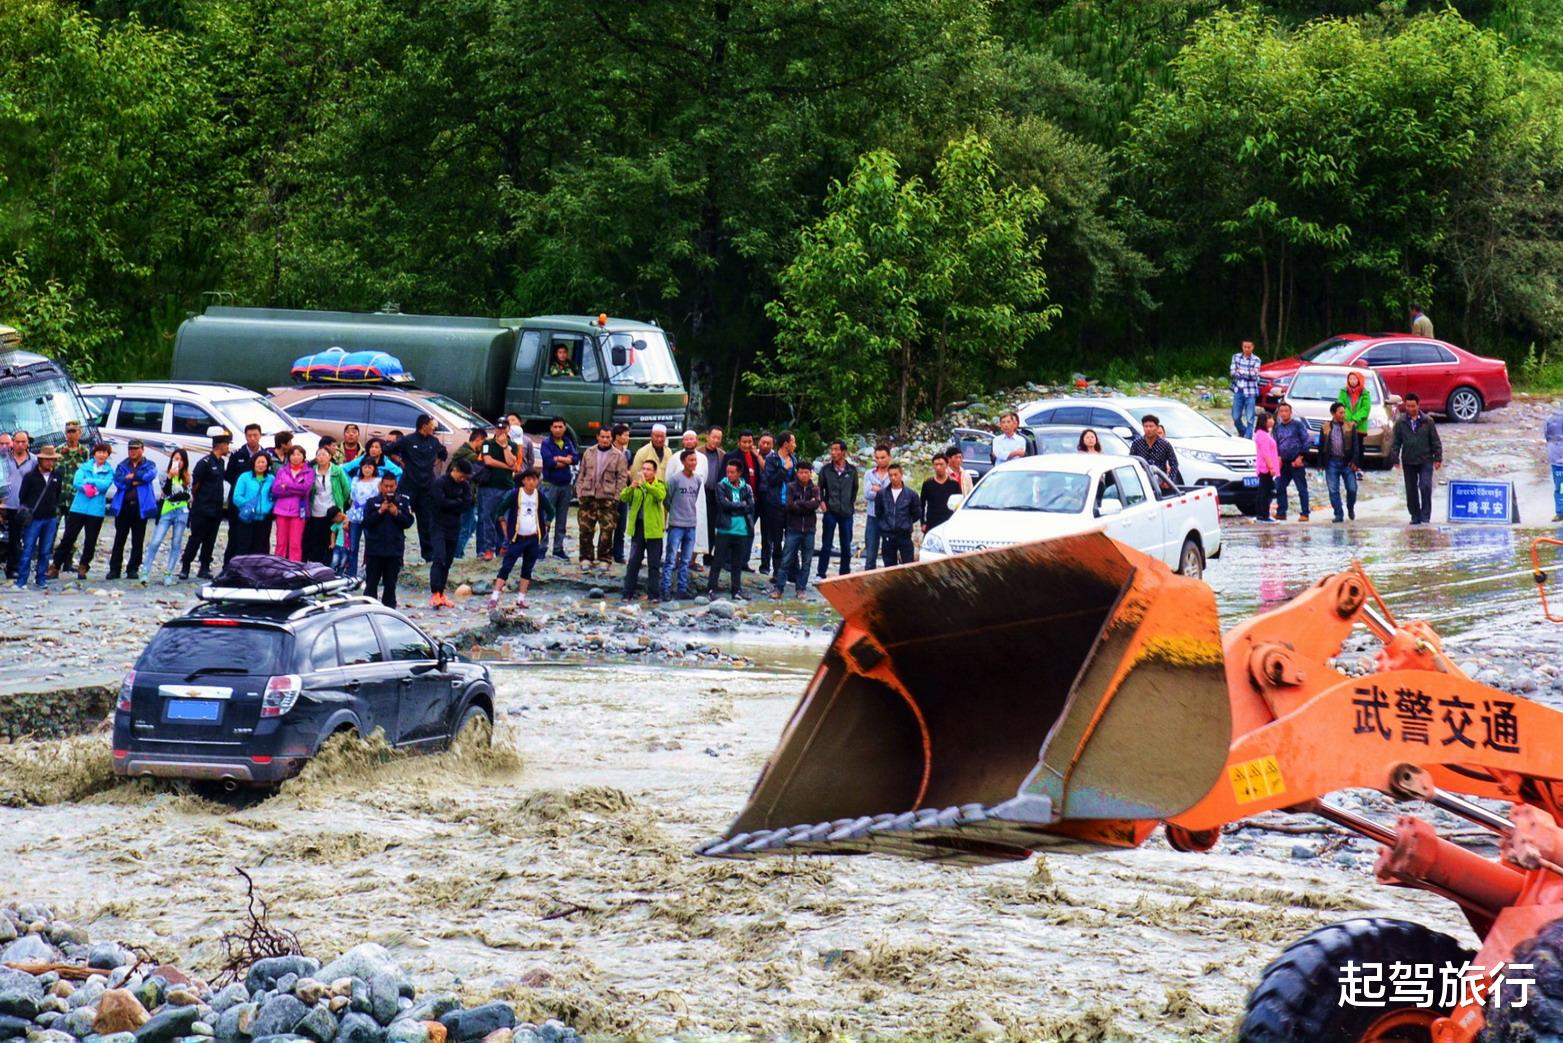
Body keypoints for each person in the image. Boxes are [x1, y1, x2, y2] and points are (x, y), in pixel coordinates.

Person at [386, 414, 449, 562]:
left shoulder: (434, 441)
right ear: (424, 425)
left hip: (426, 487)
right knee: (399, 519)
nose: (434, 428)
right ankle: (397, 557)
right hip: (408, 486)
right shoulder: (408, 440)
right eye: (432, 425)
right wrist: (400, 460)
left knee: (426, 522)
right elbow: (388, 449)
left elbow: (443, 453)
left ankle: (428, 556)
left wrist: (435, 462)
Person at [50, 441, 114, 579]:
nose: (101, 455)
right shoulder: (85, 466)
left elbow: (105, 485)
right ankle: (55, 565)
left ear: (108, 455)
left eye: (104, 452)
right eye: (99, 452)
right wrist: (91, 485)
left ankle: (83, 566)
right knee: (68, 537)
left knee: (90, 541)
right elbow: (77, 482)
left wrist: (89, 481)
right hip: (78, 507)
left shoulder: (109, 470)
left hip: (96, 510)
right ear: (94, 453)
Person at [490, 469, 553, 609]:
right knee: (506, 566)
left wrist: (546, 526)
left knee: (527, 568)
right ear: (523, 480)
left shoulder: (540, 496)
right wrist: (504, 525)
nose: (531, 482)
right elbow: (501, 510)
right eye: (528, 479)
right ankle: (494, 596)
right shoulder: (515, 494)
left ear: (538, 481)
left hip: (533, 538)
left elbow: (551, 510)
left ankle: (521, 598)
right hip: (517, 537)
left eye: (534, 480)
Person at [575, 426, 627, 570]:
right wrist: (579, 492)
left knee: (607, 531)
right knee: (585, 529)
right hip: (588, 497)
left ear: (612, 438)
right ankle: (586, 557)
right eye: (602, 437)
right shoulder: (588, 452)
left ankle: (604, 558)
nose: (605, 440)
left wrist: (617, 497)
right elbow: (582, 473)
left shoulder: (618, 456)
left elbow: (622, 479)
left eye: (608, 437)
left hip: (607, 498)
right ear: (598, 437)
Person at [181, 432, 231, 580]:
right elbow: (195, 484)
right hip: (202, 507)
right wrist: (198, 501)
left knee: (210, 539)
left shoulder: (221, 462)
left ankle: (204, 566)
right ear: (220, 445)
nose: (228, 447)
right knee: (196, 538)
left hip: (216, 507)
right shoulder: (204, 463)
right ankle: (186, 565)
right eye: (226, 444)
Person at [106, 439, 158, 580]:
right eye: (130, 449)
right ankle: (114, 569)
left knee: (138, 539)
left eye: (135, 449)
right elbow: (118, 482)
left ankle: (133, 568)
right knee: (119, 538)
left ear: (142, 449)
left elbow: (149, 475)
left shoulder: (149, 464)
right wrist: (136, 481)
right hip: (124, 506)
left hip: (140, 507)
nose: (132, 451)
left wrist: (132, 476)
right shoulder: (122, 465)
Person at [361, 473, 414, 608]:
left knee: (390, 586)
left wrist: (397, 513)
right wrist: (380, 511)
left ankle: (389, 613)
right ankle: (368, 611)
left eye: (391, 486)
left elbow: (408, 522)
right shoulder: (372, 502)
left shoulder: (403, 501)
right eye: (386, 486)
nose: (389, 489)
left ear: (396, 486)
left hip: (394, 550)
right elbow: (366, 523)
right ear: (381, 486)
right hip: (375, 550)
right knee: (371, 584)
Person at [428, 457, 475, 608]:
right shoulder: (440, 483)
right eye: (461, 475)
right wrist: (457, 502)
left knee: (448, 562)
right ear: (455, 470)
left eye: (465, 477)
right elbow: (440, 503)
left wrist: (454, 502)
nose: (462, 479)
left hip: (454, 526)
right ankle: (434, 593)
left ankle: (442, 593)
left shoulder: (465, 485)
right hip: (438, 526)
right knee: (439, 558)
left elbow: (468, 503)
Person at [13, 446, 62, 589]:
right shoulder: (30, 476)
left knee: (45, 551)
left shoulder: (57, 475)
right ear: (40, 460)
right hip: (34, 519)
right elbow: (23, 496)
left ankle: (41, 579)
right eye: (47, 460)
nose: (50, 463)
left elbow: (57, 494)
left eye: (52, 460)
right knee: (27, 549)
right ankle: (22, 580)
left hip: (50, 518)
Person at [1391, 392, 1442, 525]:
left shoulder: (1428, 421)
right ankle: (1415, 515)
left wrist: (1438, 458)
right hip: (1408, 460)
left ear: (1418, 406)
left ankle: (1425, 515)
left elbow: (1435, 441)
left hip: (1426, 460)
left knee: (1425, 486)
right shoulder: (1401, 422)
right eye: (1407, 406)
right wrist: (1395, 458)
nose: (1410, 409)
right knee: (1411, 490)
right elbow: (1396, 442)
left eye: (1413, 406)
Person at [619, 459, 666, 600]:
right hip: (638, 528)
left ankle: (653, 595)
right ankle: (627, 593)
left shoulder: (660, 485)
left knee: (654, 564)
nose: (645, 472)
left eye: (649, 469)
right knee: (633, 562)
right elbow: (623, 497)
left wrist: (647, 485)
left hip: (654, 530)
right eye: (643, 469)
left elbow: (660, 496)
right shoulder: (637, 486)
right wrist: (631, 488)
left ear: (654, 472)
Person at [773, 460, 821, 599]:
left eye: (806, 472)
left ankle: (801, 589)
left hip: (809, 529)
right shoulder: (791, 487)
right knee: (786, 559)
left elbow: (815, 504)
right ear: (797, 473)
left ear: (810, 473)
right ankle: (779, 588)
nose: (804, 475)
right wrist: (806, 504)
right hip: (793, 528)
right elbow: (789, 505)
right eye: (801, 472)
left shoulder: (815, 489)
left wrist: (799, 503)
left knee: (806, 561)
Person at [708, 460, 755, 599]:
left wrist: (734, 505)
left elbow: (751, 506)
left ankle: (736, 590)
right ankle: (711, 589)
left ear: (739, 473)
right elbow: (723, 505)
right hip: (725, 529)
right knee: (718, 561)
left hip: (742, 530)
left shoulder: (747, 488)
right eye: (728, 472)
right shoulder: (721, 486)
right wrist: (741, 505)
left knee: (737, 563)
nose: (729, 475)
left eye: (732, 472)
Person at [145, 448, 193, 585]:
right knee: (156, 541)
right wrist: (171, 478)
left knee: (176, 543)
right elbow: (166, 493)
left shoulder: (188, 477)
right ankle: (146, 571)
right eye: (176, 459)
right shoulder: (164, 475)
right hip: (167, 510)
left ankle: (168, 573)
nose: (178, 462)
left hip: (182, 512)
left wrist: (183, 495)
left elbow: (188, 496)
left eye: (181, 459)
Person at [662, 449, 704, 600]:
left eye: (695, 460)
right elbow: (667, 500)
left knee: (686, 560)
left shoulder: (698, 480)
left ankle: (682, 589)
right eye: (690, 460)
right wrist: (674, 512)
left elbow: (695, 497)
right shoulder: (674, 479)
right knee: (671, 558)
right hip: (676, 524)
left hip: (691, 523)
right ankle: (665, 589)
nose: (693, 463)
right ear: (683, 462)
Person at [223, 424, 267, 566]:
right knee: (236, 537)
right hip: (239, 503)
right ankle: (229, 567)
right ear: (245, 436)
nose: (252, 438)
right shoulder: (237, 455)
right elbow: (229, 475)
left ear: (260, 435)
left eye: (255, 435)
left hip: (259, 507)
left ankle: (254, 568)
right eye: (249, 436)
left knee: (257, 539)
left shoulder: (266, 455)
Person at [302, 444, 350, 566]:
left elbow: (346, 490)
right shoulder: (311, 470)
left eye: (324, 454)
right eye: (319, 454)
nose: (321, 457)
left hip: (332, 511)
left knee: (330, 540)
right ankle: (313, 565)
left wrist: (339, 503)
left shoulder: (337, 471)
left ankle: (328, 566)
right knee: (315, 539)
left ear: (330, 456)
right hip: (315, 510)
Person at [816, 440, 858, 579]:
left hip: (846, 512)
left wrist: (850, 504)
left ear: (843, 452)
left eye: (836, 450)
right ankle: (821, 573)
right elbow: (819, 488)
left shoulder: (851, 470)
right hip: (830, 511)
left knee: (846, 545)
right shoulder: (826, 470)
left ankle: (844, 574)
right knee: (826, 544)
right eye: (832, 450)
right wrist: (822, 504)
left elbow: (854, 489)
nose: (833, 453)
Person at [476, 425, 518, 561]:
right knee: (488, 517)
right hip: (490, 486)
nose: (501, 431)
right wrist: (507, 466)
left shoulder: (513, 445)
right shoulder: (488, 443)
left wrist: (505, 447)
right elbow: (488, 461)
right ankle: (489, 549)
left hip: (507, 486)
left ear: (508, 429)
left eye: (504, 428)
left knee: (508, 518)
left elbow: (513, 461)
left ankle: (506, 546)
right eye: (498, 428)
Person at [760, 431, 797, 577]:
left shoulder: (794, 458)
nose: (795, 444)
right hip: (774, 504)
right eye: (793, 441)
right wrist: (784, 469)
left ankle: (793, 573)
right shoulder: (772, 459)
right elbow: (771, 480)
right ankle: (777, 572)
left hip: (789, 505)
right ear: (786, 443)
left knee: (792, 538)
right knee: (776, 540)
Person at [539, 417, 577, 560]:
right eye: (555, 427)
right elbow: (549, 462)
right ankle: (541, 548)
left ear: (565, 428)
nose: (558, 429)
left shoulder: (568, 442)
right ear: (551, 428)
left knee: (562, 519)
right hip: (550, 485)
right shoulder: (546, 443)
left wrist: (560, 459)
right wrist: (565, 460)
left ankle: (558, 548)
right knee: (545, 517)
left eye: (560, 427)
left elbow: (575, 458)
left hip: (565, 486)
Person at [673, 430, 709, 569]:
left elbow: (704, 478)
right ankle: (676, 559)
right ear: (683, 441)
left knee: (697, 528)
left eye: (691, 439)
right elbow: (669, 478)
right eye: (686, 439)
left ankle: (691, 560)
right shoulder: (676, 457)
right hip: (679, 499)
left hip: (697, 498)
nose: (689, 442)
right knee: (677, 529)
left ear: (696, 441)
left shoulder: (702, 458)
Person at [2, 431, 36, 579]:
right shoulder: (4, 459)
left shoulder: (34, 460)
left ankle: (17, 567)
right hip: (6, 504)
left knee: (21, 538)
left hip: (24, 505)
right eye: (17, 441)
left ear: (28, 442)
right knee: (10, 538)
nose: (20, 444)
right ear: (13, 443)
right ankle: (10, 567)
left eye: (24, 441)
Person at [270, 445, 313, 561]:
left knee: (295, 543)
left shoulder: (308, 472)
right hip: (281, 510)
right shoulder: (282, 471)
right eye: (293, 454)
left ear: (304, 456)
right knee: (281, 543)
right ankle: (279, 567)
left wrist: (287, 486)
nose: (296, 457)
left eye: (299, 454)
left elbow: (305, 488)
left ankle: (294, 568)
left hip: (299, 511)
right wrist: (295, 489)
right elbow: (276, 490)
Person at [229, 452, 275, 559]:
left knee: (261, 548)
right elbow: (236, 496)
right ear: (253, 463)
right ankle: (241, 571)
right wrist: (248, 506)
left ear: (267, 464)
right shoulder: (245, 477)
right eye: (258, 462)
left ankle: (258, 572)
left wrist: (267, 507)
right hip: (247, 517)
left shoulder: (271, 479)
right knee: (243, 546)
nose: (260, 465)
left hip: (264, 518)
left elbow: (274, 496)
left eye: (263, 462)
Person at [873, 463, 921, 566]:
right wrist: (884, 525)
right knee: (889, 567)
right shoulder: (882, 494)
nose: (893, 478)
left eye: (896, 475)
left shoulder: (911, 494)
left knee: (908, 566)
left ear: (901, 474)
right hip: (888, 535)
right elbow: (878, 512)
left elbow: (916, 513)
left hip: (904, 535)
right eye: (890, 475)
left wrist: (906, 522)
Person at [1319, 403, 1360, 524]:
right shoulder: (1325, 427)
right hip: (1331, 462)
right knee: (1333, 490)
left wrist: (1354, 461)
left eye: (1344, 412)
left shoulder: (1350, 426)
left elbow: (1356, 446)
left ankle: (1350, 507)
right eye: (1340, 413)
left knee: (1352, 489)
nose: (1343, 415)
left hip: (1347, 463)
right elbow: (1321, 447)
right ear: (1333, 413)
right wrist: (1320, 464)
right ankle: (1338, 514)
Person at [1272, 402, 1312, 522]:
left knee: (1301, 489)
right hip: (1283, 463)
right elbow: (1275, 444)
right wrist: (1277, 457)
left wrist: (1301, 457)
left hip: (1297, 462)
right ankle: (1281, 512)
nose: (1284, 413)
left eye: (1286, 411)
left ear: (1291, 412)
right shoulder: (1277, 427)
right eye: (1281, 411)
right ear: (1279, 413)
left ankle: (1305, 513)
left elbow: (1307, 441)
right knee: (1279, 487)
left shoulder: (1297, 425)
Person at [451, 426, 487, 559]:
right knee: (466, 526)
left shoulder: (462, 452)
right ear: (479, 440)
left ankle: (457, 551)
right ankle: (457, 553)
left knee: (469, 525)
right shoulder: (472, 456)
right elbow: (476, 474)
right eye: (484, 442)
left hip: (463, 494)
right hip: (466, 495)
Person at [343, 458, 380, 577]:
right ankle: (351, 573)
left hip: (371, 516)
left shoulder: (378, 481)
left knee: (371, 545)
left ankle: (371, 572)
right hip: (355, 516)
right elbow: (352, 499)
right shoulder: (355, 481)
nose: (367, 469)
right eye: (365, 467)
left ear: (374, 468)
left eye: (370, 467)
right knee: (353, 546)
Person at [861, 444, 892, 570]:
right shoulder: (869, 473)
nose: (880, 460)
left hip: (889, 517)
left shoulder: (894, 473)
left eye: (883, 457)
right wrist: (883, 491)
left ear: (889, 457)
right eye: (877, 458)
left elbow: (893, 496)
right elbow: (867, 494)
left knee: (889, 553)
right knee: (870, 553)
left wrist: (877, 490)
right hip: (873, 516)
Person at [699, 426, 725, 563]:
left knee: (712, 525)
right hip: (701, 491)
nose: (715, 440)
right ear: (708, 436)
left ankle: (708, 554)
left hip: (715, 492)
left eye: (718, 438)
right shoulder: (698, 452)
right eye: (714, 437)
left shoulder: (722, 455)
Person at [920, 452, 962, 533]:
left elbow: (959, 504)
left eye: (941, 464)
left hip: (948, 522)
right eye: (936, 464)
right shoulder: (927, 484)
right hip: (932, 522)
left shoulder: (954, 484)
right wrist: (923, 523)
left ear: (946, 465)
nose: (938, 467)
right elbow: (922, 504)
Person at [1130, 416, 1179, 483]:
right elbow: (1131, 460)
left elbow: (1174, 463)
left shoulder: (1165, 444)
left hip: (1159, 478)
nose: (1148, 429)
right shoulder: (1136, 443)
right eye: (1146, 426)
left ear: (1157, 427)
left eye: (1151, 426)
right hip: (1141, 479)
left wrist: (1169, 481)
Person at [1338, 370, 1372, 465]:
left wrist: (1355, 419)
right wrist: (1349, 419)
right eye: (1350, 379)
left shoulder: (1365, 393)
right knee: (1346, 445)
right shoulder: (1343, 391)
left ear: (1359, 380)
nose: (1352, 381)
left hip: (1359, 425)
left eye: (1354, 379)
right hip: (1346, 424)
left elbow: (1365, 408)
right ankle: (1346, 465)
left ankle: (1358, 466)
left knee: (1359, 446)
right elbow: (1341, 404)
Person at [611, 423, 633, 564]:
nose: (627, 438)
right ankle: (605, 552)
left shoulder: (627, 453)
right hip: (609, 492)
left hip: (623, 491)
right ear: (617, 437)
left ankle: (618, 553)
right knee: (607, 524)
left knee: (621, 525)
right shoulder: (609, 451)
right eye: (625, 435)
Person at [1229, 340, 1261, 438]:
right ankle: (1243, 432)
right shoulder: (1236, 357)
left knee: (1250, 418)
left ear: (1253, 347)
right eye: (1244, 347)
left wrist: (1241, 371)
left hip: (1251, 392)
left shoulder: (1256, 360)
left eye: (1249, 347)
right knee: (1235, 417)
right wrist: (1247, 372)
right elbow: (1233, 373)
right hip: (1238, 390)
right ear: (1242, 347)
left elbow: (1254, 375)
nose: (1246, 349)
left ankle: (1248, 438)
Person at [1253, 412, 1279, 523]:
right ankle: (1263, 515)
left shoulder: (1263, 434)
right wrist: (1271, 467)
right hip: (1265, 467)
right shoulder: (1262, 435)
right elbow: (1265, 453)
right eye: (1270, 419)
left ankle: (1262, 514)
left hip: (1265, 466)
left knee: (1264, 491)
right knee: (1265, 492)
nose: (1273, 421)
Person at [54, 421, 89, 495]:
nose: (71, 434)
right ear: (65, 434)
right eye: (68, 432)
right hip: (60, 493)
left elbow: (87, 474)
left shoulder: (84, 452)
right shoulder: (58, 451)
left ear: (80, 433)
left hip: (76, 495)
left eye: (73, 431)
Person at [1547, 401, 1563, 522]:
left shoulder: (1550, 419)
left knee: (1560, 487)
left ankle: (1560, 512)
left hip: (1556, 458)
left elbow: (1546, 435)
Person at [328, 508, 351, 574]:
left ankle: (340, 574)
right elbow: (333, 532)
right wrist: (332, 543)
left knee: (343, 562)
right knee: (334, 561)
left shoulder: (348, 519)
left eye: (335, 520)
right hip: (338, 545)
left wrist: (347, 521)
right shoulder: (337, 524)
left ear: (338, 515)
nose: (335, 522)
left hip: (346, 547)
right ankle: (330, 573)